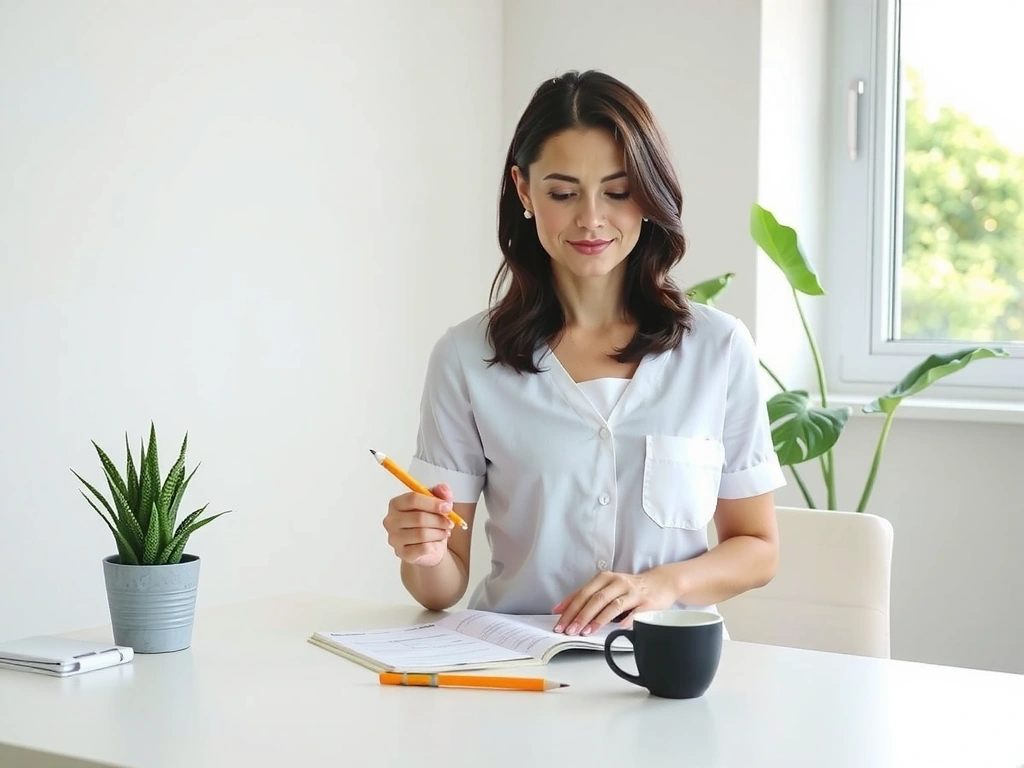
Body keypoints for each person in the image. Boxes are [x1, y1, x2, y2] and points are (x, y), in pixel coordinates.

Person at [382, 69, 785, 639]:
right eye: (563, 193)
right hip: (517, 668)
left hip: (663, 668)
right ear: (525, 191)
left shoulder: (718, 349)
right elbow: (443, 586)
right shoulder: (466, 359)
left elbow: (758, 548)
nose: (591, 218)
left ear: (646, 193)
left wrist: (659, 587)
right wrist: (421, 553)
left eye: (617, 192)